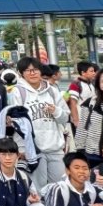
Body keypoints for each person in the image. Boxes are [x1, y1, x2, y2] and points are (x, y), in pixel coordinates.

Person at [7, 57, 69, 187]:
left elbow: (65, 118)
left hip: (55, 148)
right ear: (21, 73)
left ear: (41, 71)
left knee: (60, 187)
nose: (32, 73)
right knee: (37, 188)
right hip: (33, 151)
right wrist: (22, 148)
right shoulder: (18, 92)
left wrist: (56, 111)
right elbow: (16, 123)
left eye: (35, 69)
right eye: (27, 70)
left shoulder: (52, 91)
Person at [68, 61, 99, 131]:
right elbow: (73, 103)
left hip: (91, 120)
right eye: (91, 71)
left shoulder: (91, 83)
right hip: (81, 121)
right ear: (83, 73)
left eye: (94, 71)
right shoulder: (75, 84)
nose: (94, 73)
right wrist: (76, 120)